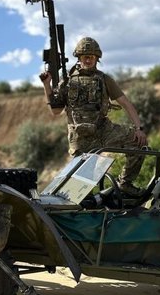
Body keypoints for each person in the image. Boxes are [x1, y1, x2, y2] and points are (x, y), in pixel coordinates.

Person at [39, 36, 148, 195]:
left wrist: (139, 128)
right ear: (79, 58)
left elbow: (125, 103)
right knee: (82, 188)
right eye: (85, 57)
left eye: (91, 56)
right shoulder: (67, 81)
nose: (88, 60)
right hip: (80, 136)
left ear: (97, 58)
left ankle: (125, 184)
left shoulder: (104, 79)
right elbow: (55, 111)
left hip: (103, 130)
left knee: (138, 143)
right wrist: (46, 85)